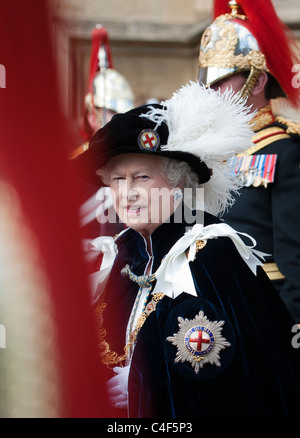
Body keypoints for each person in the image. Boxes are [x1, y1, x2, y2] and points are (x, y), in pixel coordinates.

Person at [76, 80, 300, 419]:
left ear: (177, 184)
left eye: (142, 177)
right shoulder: (121, 252)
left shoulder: (212, 254)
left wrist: (141, 386)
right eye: (118, 180)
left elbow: (240, 383)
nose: (128, 193)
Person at [198, 0, 300, 322]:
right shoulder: (208, 151)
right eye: (207, 84)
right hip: (211, 302)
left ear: (256, 81)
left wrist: (286, 332)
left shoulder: (286, 149)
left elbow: (295, 261)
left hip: (265, 309)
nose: (211, 94)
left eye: (220, 82)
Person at [71, 25, 135, 240]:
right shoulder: (74, 164)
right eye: (110, 112)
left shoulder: (136, 159)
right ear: (91, 113)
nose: (117, 120)